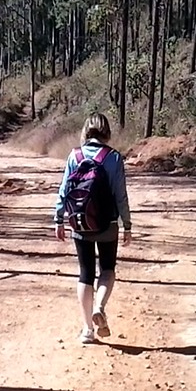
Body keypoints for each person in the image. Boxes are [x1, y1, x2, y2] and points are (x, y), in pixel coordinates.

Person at [53, 113, 132, 345]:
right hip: (107, 223)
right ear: (107, 131)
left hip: (79, 222)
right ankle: (100, 306)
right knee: (107, 268)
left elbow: (64, 190)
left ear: (86, 131)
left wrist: (59, 219)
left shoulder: (74, 156)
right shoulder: (114, 158)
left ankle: (87, 330)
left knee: (85, 274)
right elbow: (121, 196)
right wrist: (126, 224)